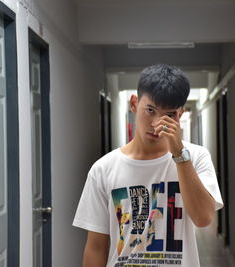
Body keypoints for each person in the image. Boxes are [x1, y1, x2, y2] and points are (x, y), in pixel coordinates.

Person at [73, 64, 224, 267]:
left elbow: (203, 218)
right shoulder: (103, 169)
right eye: (150, 110)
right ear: (134, 104)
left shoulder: (195, 157)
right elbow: (96, 247)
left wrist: (179, 155)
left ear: (180, 114)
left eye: (168, 115)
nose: (156, 123)